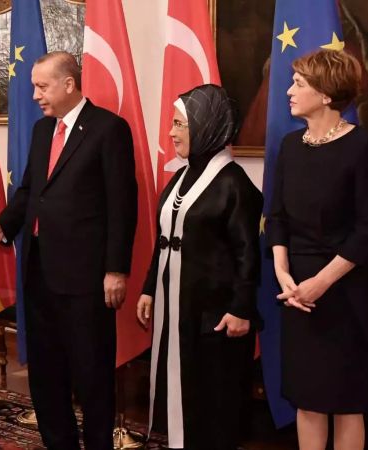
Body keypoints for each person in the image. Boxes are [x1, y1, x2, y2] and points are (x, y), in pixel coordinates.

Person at [0, 51, 137, 450]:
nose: (34, 95)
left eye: (41, 86)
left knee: (91, 373)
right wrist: (3, 227)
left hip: (86, 279)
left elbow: (122, 204)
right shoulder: (41, 131)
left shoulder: (108, 129)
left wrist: (116, 269)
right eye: (33, 85)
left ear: (69, 84)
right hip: (39, 272)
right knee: (46, 374)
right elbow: (29, 191)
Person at [265, 49, 368, 450]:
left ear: (327, 94)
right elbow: (277, 215)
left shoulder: (362, 148)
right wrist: (284, 273)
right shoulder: (290, 145)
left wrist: (320, 282)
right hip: (296, 292)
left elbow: (367, 231)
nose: (288, 91)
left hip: (343, 291)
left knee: (347, 402)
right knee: (308, 400)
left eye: (298, 83)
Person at [136, 84, 263, 450]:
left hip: (216, 318)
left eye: (179, 124)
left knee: (213, 404)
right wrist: (148, 287)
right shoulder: (179, 177)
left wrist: (241, 309)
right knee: (182, 395)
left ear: (206, 125)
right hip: (178, 309)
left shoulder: (235, 185)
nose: (171, 133)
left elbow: (247, 254)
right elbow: (164, 239)